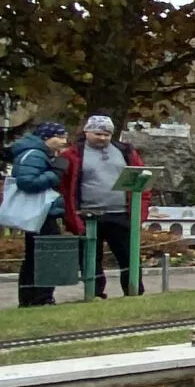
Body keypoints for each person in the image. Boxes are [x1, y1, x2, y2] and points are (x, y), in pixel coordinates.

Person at [58, 114, 147, 298]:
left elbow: (142, 181)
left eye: (107, 134)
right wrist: (71, 215)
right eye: (98, 133)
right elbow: (64, 187)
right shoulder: (72, 154)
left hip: (121, 214)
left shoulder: (126, 152)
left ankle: (134, 292)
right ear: (87, 131)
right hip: (87, 214)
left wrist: (139, 214)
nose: (103, 138)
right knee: (90, 258)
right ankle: (95, 293)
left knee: (129, 256)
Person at [7, 121, 71, 307]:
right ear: (45, 138)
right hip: (41, 213)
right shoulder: (35, 155)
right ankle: (41, 297)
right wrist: (56, 172)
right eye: (58, 137)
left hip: (42, 212)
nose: (63, 141)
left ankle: (30, 298)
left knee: (34, 256)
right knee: (46, 254)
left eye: (64, 136)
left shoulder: (41, 154)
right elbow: (27, 182)